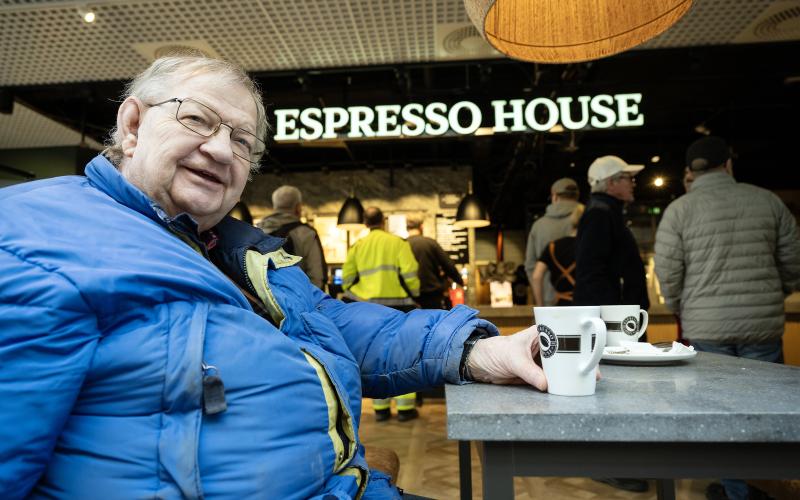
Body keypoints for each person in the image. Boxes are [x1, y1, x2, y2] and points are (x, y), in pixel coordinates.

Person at [0, 56, 548, 499]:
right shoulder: (39, 235)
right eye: (197, 119)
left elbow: (329, 322)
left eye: (242, 140)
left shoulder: (229, 248)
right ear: (133, 124)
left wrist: (477, 351)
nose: (221, 149)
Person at [654, 136, 800, 500]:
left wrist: (681, 306)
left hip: (707, 328)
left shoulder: (679, 211)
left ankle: (738, 492)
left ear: (690, 172)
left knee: (722, 414)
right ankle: (766, 486)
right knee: (765, 411)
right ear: (728, 164)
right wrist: (771, 296)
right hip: (761, 325)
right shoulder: (766, 200)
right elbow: (794, 261)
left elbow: (668, 273)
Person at [572, 155, 650, 494]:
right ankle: (609, 465)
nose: (632, 182)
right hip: (614, 325)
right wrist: (613, 324)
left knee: (618, 395)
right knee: (612, 395)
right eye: (626, 177)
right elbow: (590, 275)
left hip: (616, 323)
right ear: (609, 183)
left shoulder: (604, 214)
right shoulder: (601, 216)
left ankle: (617, 463)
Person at [342, 207, 421, 421]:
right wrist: (414, 294)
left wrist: (354, 295)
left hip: (368, 308)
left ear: (366, 223)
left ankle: (381, 409)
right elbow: (411, 272)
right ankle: (405, 409)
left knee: (375, 356)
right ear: (383, 222)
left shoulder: (358, 245)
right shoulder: (398, 243)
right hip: (400, 306)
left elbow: (347, 276)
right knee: (404, 355)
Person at [258, 185, 328, 290]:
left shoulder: (258, 231)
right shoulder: (306, 233)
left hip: (264, 300)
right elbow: (317, 275)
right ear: (298, 208)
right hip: (298, 300)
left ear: (275, 207)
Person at [525, 177, 581, 305]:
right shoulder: (587, 220)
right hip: (584, 300)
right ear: (577, 195)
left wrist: (540, 302)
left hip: (550, 300)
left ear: (554, 196)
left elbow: (531, 267)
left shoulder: (539, 226)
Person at [531, 204, 585, 306]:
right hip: (588, 305)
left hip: (562, 305)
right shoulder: (592, 247)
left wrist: (540, 305)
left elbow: (536, 276)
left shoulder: (553, 246)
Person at [406, 215, 464, 310]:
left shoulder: (402, 245)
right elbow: (448, 265)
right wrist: (460, 281)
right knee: (436, 321)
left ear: (406, 228)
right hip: (432, 293)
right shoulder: (430, 243)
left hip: (410, 294)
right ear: (421, 227)